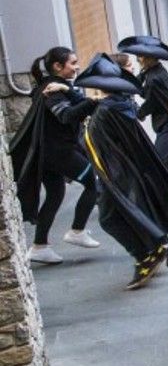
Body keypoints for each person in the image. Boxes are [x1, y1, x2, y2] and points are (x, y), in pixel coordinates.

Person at [75, 55, 168, 290]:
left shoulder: (107, 111)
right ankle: (153, 246)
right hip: (120, 171)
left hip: (115, 174)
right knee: (127, 212)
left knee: (110, 218)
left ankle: (146, 255)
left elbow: (92, 140)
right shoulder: (119, 104)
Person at [9, 46, 100, 264]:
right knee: (93, 184)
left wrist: (70, 91)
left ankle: (39, 247)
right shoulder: (52, 90)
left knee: (55, 193)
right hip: (59, 153)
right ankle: (77, 231)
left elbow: (75, 101)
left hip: (49, 154)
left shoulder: (58, 86)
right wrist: (93, 102)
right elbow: (67, 116)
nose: (77, 67)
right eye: (73, 63)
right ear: (58, 66)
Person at [118, 35, 168, 165]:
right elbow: (141, 88)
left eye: (139, 57)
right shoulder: (155, 71)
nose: (137, 60)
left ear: (146, 58)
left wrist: (138, 114)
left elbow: (150, 101)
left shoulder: (154, 79)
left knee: (161, 162)